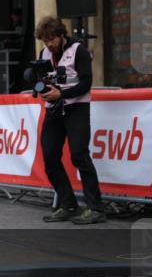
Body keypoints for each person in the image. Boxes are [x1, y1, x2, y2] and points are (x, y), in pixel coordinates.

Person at [35, 17, 106, 225]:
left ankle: (95, 208)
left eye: (51, 39)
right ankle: (69, 204)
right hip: (54, 109)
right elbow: (44, 80)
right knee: (49, 157)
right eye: (45, 40)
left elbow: (86, 83)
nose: (48, 44)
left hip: (77, 108)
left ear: (61, 34)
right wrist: (43, 88)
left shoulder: (78, 50)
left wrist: (61, 94)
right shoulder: (45, 53)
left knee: (79, 155)